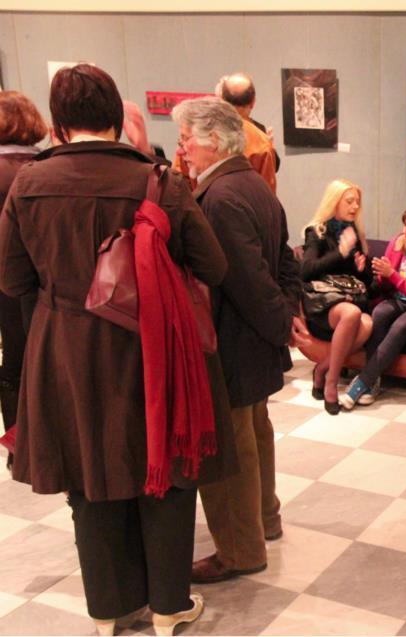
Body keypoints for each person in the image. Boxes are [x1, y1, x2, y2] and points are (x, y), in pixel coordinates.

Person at [0, 64, 230, 636]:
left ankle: (107, 611)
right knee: (166, 467)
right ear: (114, 115)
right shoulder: (159, 181)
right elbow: (214, 265)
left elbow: (12, 278)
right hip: (151, 345)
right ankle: (169, 606)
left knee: (89, 474)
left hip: (65, 348)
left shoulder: (28, 184)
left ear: (58, 122)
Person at [171, 97, 301, 584]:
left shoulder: (220, 198)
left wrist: (279, 324)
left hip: (233, 340)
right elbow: (285, 266)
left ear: (214, 140)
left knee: (230, 448)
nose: (182, 149)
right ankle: (265, 519)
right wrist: (283, 317)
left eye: (187, 138)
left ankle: (240, 551)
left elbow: (246, 279)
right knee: (255, 433)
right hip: (255, 340)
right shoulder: (254, 185)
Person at [340, 201, 406, 410]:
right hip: (396, 299)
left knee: (401, 326)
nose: (405, 231)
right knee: (380, 313)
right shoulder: (397, 244)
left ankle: (362, 382)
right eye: (405, 225)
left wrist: (393, 275)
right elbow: (383, 286)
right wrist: (381, 274)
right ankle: (373, 382)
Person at [301, 179, 374, 415]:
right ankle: (331, 384)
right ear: (334, 202)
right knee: (352, 313)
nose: (355, 207)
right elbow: (307, 270)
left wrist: (362, 269)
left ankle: (322, 369)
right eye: (349, 201)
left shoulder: (355, 234)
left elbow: (366, 283)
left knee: (367, 323)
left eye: (357, 202)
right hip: (323, 306)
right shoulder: (317, 232)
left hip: (348, 303)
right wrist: (340, 253)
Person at [0, 91, 45, 467]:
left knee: (14, 365)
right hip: (50, 280)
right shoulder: (48, 165)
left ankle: (20, 449)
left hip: (7, 282)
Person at [215, 72, 281, 176]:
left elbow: (273, 166)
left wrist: (270, 147)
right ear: (253, 102)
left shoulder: (205, 130)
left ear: (222, 100)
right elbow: (267, 179)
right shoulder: (260, 137)